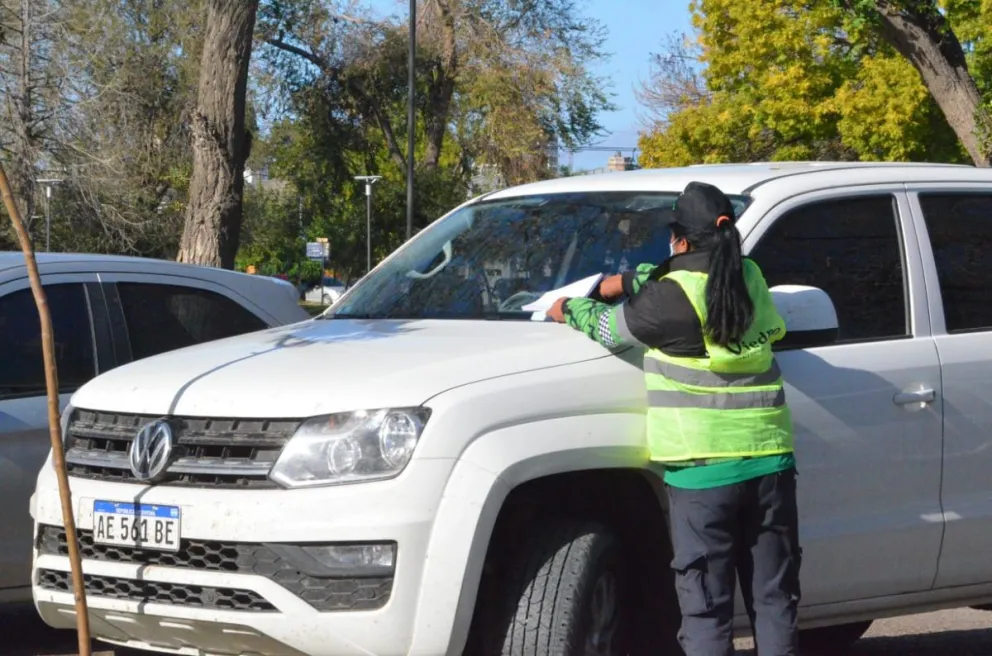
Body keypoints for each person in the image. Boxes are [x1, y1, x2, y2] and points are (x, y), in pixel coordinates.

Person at [547, 181, 801, 656]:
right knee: (775, 601)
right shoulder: (749, 276)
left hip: (703, 474)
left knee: (707, 609)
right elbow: (692, 280)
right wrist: (632, 280)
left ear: (680, 240)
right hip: (770, 464)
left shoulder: (668, 300)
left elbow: (608, 326)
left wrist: (569, 307)